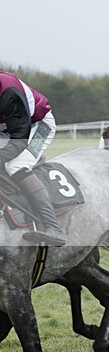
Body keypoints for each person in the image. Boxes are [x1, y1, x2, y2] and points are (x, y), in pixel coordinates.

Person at [0, 71, 66, 246]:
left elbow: (19, 140)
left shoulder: (9, 91)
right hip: (9, 128)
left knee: (15, 165)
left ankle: (53, 227)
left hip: (39, 126)